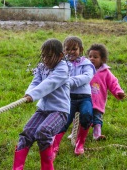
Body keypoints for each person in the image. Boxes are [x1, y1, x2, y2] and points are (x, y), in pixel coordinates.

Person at [12, 38, 70, 170]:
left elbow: (49, 84)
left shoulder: (63, 69)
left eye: (49, 56)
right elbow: (36, 82)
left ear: (60, 56)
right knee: (27, 133)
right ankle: (17, 168)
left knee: (43, 131)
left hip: (59, 111)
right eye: (43, 56)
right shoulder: (41, 68)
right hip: (43, 109)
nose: (45, 59)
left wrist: (33, 96)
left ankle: (47, 168)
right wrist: (28, 93)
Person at [53, 36, 96, 158]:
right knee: (64, 120)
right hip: (68, 97)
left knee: (87, 114)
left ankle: (80, 143)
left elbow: (88, 76)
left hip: (84, 97)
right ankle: (54, 146)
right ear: (64, 51)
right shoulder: (62, 64)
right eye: (68, 49)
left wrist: (70, 81)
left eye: (74, 49)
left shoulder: (86, 63)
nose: (71, 52)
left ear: (81, 49)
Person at [87, 44, 126, 140]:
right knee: (82, 116)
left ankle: (97, 135)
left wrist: (118, 92)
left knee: (97, 118)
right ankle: (76, 134)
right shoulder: (85, 69)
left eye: (95, 57)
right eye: (90, 56)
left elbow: (113, 83)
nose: (92, 59)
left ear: (102, 59)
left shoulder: (106, 73)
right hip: (84, 99)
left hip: (98, 101)